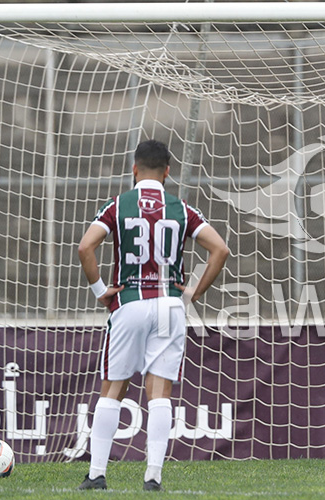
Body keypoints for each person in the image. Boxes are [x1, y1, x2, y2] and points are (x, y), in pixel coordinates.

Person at [77, 139, 229, 490]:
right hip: (168, 307)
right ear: (167, 172)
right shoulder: (182, 209)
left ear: (134, 169)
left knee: (113, 388)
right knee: (159, 391)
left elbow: (86, 246)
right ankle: (153, 477)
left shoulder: (119, 204)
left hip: (129, 303)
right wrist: (193, 292)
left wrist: (100, 290)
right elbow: (220, 249)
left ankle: (97, 474)